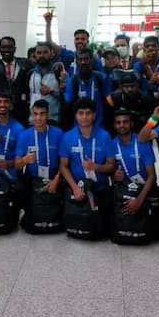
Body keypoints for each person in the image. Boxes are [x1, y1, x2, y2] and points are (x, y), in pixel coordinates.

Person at [59, 98, 116, 230]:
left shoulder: (105, 136)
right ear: (75, 115)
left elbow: (111, 166)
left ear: (94, 115)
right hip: (78, 188)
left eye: (88, 113)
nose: (84, 117)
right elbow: (64, 166)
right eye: (81, 113)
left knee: (102, 229)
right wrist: (74, 188)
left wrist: (95, 166)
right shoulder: (67, 137)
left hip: (100, 188)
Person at [15, 99, 64, 199]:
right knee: (19, 188)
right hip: (33, 177)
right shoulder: (24, 135)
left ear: (48, 115)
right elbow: (17, 165)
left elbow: (64, 162)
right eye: (35, 114)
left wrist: (57, 178)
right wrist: (25, 160)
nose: (38, 118)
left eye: (42, 114)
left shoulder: (59, 134)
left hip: (54, 175)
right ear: (32, 115)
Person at [112, 109, 156, 216]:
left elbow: (152, 176)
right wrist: (114, 175)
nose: (122, 125)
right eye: (118, 122)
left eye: (125, 122)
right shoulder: (111, 144)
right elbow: (110, 172)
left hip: (145, 190)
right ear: (114, 125)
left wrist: (139, 201)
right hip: (124, 190)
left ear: (131, 124)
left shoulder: (142, 142)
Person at [64, 47, 110, 128]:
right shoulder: (72, 81)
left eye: (86, 59)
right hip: (78, 128)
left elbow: (109, 101)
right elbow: (68, 103)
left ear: (92, 61)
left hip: (99, 127)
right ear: (76, 62)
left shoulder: (102, 78)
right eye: (80, 59)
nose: (83, 62)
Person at [0, 36, 33, 125]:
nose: (7, 50)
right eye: (4, 47)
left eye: (10, 47)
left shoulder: (25, 63)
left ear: (14, 48)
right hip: (2, 108)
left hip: (21, 111)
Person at [27, 42, 65, 125]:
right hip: (34, 120)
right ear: (35, 55)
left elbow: (66, 97)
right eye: (39, 53)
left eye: (45, 52)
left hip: (53, 120)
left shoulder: (59, 72)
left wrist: (52, 91)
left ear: (51, 54)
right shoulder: (30, 73)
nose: (41, 55)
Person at [132, 36, 159, 101]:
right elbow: (135, 87)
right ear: (144, 49)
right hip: (144, 102)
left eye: (153, 45)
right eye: (147, 46)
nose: (151, 48)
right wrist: (150, 82)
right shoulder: (138, 66)